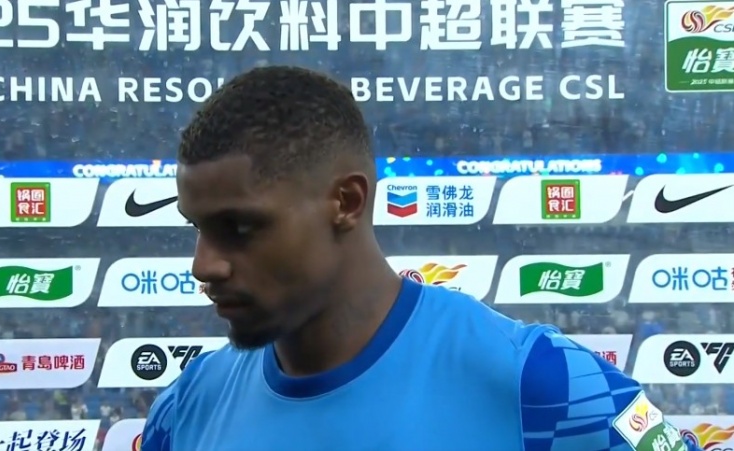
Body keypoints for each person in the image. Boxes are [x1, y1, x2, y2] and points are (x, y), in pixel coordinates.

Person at [141, 66, 700, 451]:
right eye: (197, 229)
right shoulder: (187, 408)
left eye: (240, 228)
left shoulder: (536, 381)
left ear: (347, 202)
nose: (204, 266)